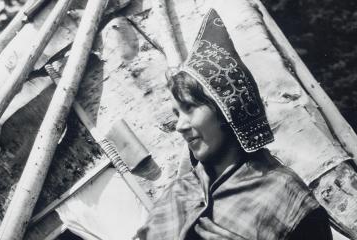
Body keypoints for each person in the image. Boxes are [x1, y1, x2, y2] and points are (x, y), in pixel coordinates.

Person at [136, 8, 332, 240]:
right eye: (177, 114)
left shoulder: (286, 197)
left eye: (189, 108)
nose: (180, 126)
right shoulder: (179, 193)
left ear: (226, 110)